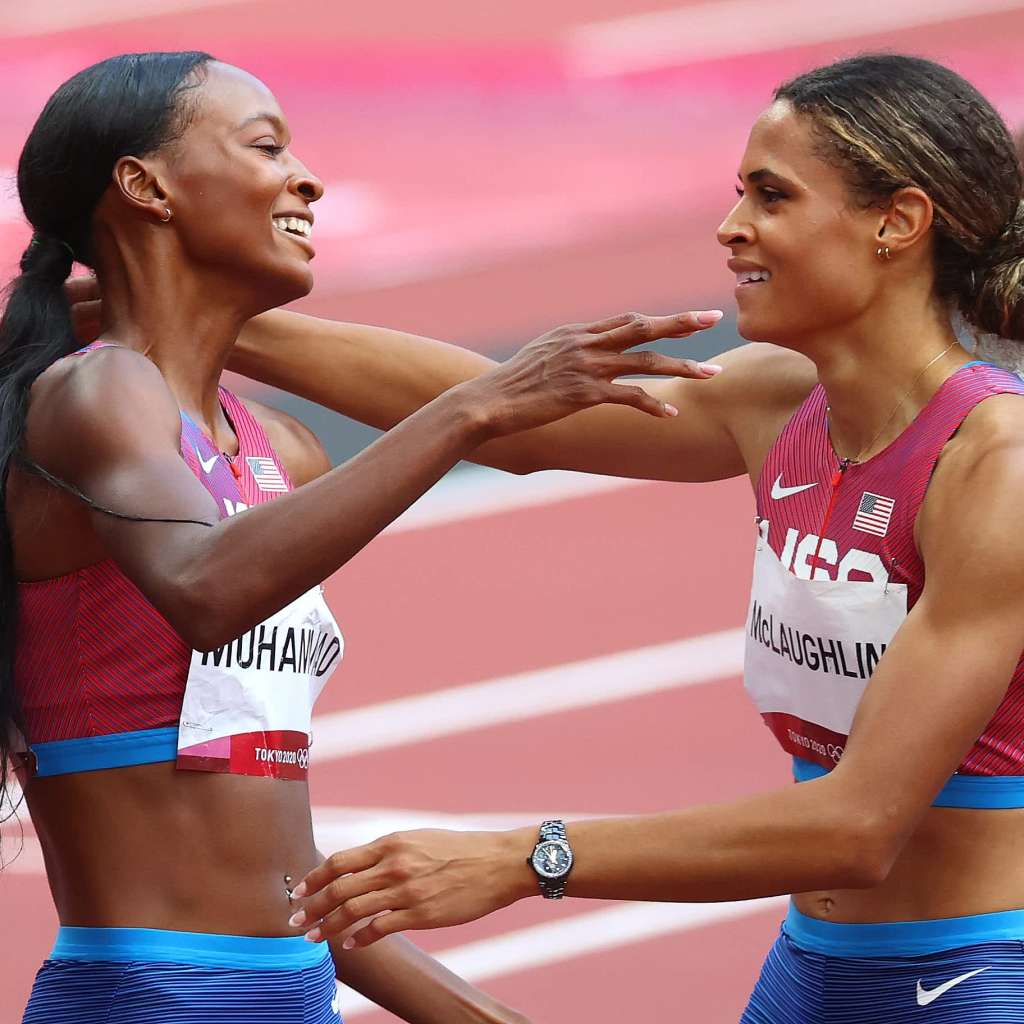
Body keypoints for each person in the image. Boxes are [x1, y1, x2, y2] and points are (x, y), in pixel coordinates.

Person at [214, 54, 1024, 1020]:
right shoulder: (779, 401)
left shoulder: (994, 466)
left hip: (974, 974)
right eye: (738, 193)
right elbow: (507, 421)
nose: (731, 226)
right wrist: (203, 320)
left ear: (898, 221)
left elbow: (858, 826)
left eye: (771, 196)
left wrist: (528, 858)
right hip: (811, 969)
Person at [0, 52, 722, 1023]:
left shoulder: (278, 451)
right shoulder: (98, 392)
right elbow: (204, 590)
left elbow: (282, 874)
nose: (307, 179)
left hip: (288, 994)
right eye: (266, 147)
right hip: (149, 995)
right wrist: (472, 409)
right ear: (146, 186)